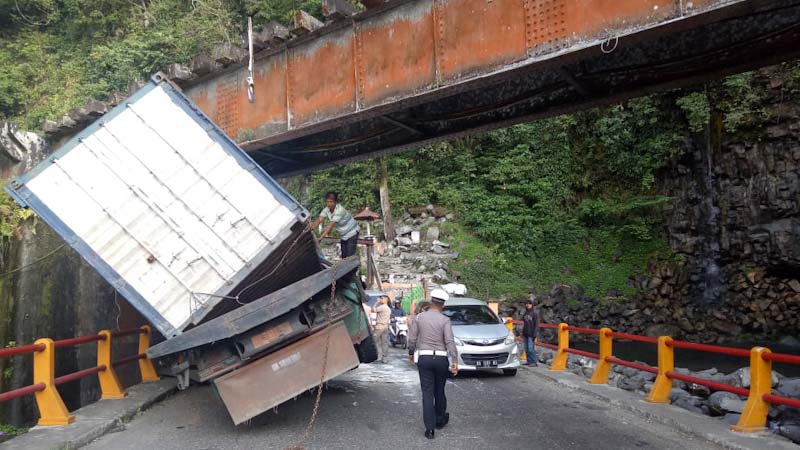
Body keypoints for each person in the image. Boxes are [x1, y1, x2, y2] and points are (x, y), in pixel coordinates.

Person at [407, 289, 458, 439]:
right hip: (441, 358)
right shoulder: (445, 320)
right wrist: (455, 361)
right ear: (443, 305)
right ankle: (440, 419)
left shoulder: (419, 318)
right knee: (439, 390)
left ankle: (430, 429)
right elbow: (449, 341)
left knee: (427, 393)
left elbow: (412, 339)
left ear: (430, 302)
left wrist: (411, 353)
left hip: (425, 358)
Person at [310, 192, 359, 258]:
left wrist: (320, 238)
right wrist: (310, 229)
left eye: (331, 202)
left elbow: (330, 225)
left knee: (349, 257)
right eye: (327, 202)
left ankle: (354, 268)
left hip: (352, 233)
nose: (329, 204)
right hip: (343, 235)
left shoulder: (340, 210)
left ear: (336, 202)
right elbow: (319, 220)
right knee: (344, 257)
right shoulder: (326, 210)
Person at [371, 295, 392, 363]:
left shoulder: (383, 307)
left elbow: (372, 310)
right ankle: (384, 357)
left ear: (386, 300)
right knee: (384, 343)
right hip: (386, 326)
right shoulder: (388, 308)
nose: (380, 299)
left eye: (382, 298)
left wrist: (376, 302)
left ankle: (378, 356)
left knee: (374, 341)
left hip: (379, 326)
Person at [521, 298, 539, 367]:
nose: (528, 305)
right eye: (527, 304)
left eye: (529, 304)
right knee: (526, 348)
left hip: (531, 334)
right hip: (525, 333)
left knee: (531, 348)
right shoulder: (525, 313)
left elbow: (536, 324)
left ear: (532, 305)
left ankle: (534, 362)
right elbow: (524, 323)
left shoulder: (534, 313)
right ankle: (529, 361)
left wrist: (535, 334)